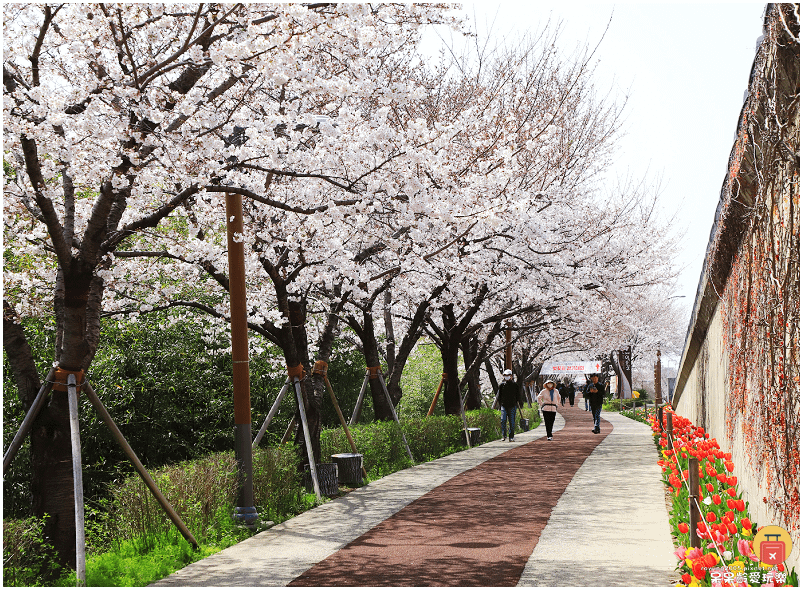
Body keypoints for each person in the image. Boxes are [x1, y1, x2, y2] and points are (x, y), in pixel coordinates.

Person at [497, 369, 524, 441]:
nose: (507, 377)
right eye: (505, 375)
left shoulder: (515, 385)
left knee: (512, 421)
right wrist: (500, 404)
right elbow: (499, 396)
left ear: (511, 376)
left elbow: (518, 395)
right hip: (504, 405)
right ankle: (504, 435)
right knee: (503, 420)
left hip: (512, 405)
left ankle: (511, 436)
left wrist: (520, 403)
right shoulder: (502, 385)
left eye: (508, 375)